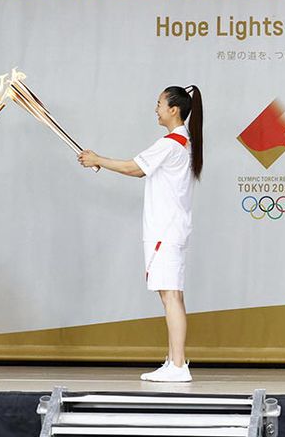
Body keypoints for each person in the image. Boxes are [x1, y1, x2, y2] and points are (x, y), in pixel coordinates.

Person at [78, 85, 203, 383]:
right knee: (172, 295)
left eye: (159, 103)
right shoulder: (183, 141)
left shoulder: (171, 143)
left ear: (174, 109)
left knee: (171, 296)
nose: (156, 108)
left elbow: (133, 168)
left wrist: (98, 159)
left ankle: (178, 366)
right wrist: (98, 161)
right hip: (170, 229)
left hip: (165, 230)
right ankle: (174, 361)